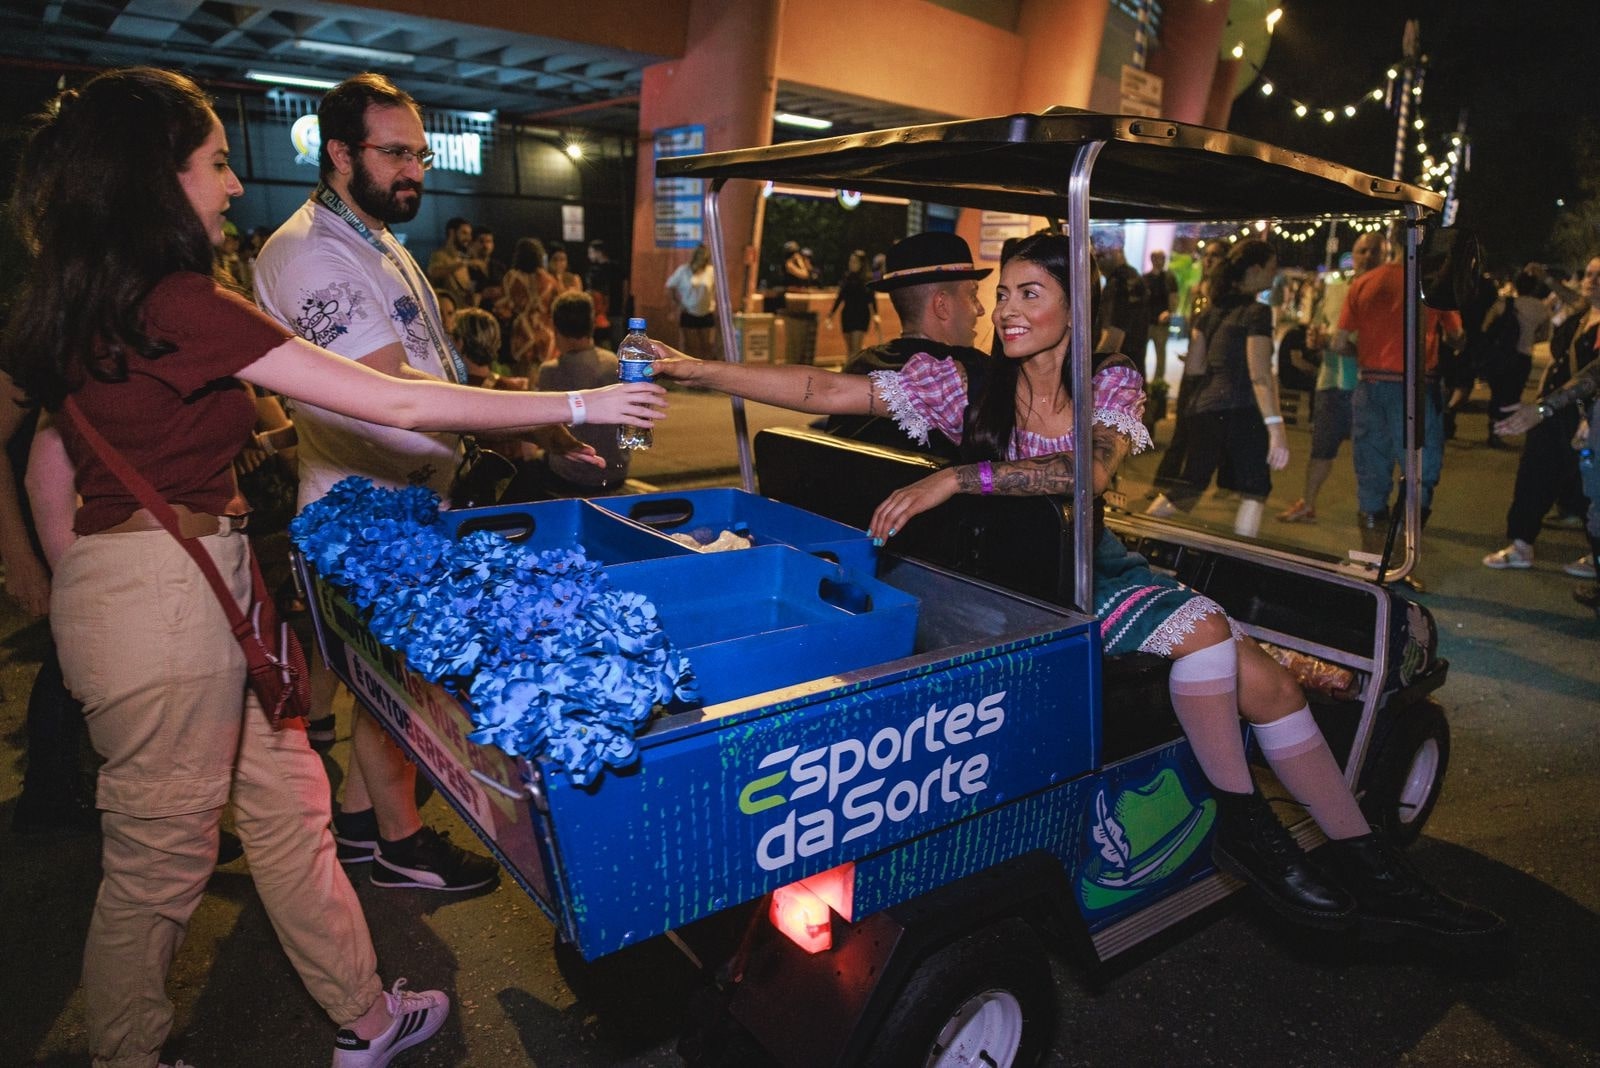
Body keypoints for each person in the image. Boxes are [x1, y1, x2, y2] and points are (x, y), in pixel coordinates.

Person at [0, 66, 664, 1068]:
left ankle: (364, 1015)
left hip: (177, 586)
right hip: (169, 601)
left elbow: (53, 451)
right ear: (154, 178)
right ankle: (128, 1054)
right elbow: (390, 403)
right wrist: (575, 406)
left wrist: (60, 580)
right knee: (158, 865)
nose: (231, 186)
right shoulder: (180, 301)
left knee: (291, 810)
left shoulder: (87, 301)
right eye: (216, 163)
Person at [649, 230, 1500, 945]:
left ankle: (1372, 865)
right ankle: (1248, 827)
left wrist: (959, 481)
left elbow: (1089, 472)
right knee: (1206, 633)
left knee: (1270, 681)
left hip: (1101, 570)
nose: (1008, 311)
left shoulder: (1113, 381)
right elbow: (819, 387)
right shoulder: (962, 383)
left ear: (1073, 303)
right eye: (1003, 295)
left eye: (1029, 293)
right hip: (1037, 593)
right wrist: (698, 371)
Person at [254, 74, 606, 895]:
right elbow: (395, 401)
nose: (416, 168)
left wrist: (526, 436)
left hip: (409, 505)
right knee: (399, 689)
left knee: (368, 678)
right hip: (367, 515)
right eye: (396, 152)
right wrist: (551, 414)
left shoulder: (375, 236)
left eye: (420, 151)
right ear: (340, 154)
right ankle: (404, 846)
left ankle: (355, 824)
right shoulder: (311, 254)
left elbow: (428, 375)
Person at [1334, 230, 1463, 588]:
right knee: (1420, 473)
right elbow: (1457, 337)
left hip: (1371, 386)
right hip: (1415, 390)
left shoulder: (1364, 283)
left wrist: (1366, 354)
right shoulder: (1432, 286)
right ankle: (1404, 565)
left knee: (1371, 475)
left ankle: (1374, 565)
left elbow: (1339, 341)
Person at [1146, 239, 1289, 537]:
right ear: (1255, 269)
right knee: (1255, 489)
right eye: (1272, 268)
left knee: (1190, 485)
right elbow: (1260, 374)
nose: (1274, 275)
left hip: (1204, 408)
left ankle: (1140, 537)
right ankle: (1239, 559)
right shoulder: (1257, 313)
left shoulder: (1210, 312)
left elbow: (1195, 367)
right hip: (1242, 410)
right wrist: (1276, 428)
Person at [822, 231, 990, 458]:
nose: (981, 309)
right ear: (942, 305)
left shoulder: (860, 365)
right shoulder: (973, 371)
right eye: (973, 295)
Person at [1487, 255, 1600, 581]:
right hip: (1555, 410)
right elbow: (1572, 299)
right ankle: (1521, 545)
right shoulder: (1582, 314)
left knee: (1589, 488)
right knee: (1535, 472)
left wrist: (1543, 408)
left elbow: (1594, 375)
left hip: (1587, 416)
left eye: (1599, 275)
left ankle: (1596, 555)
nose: (1591, 280)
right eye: (1589, 274)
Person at [1279, 231, 1387, 524]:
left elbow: (1380, 348)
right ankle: (1308, 503)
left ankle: (1374, 511)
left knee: (1373, 452)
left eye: (1373, 251)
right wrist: (1315, 341)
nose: (1366, 256)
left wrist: (1336, 344)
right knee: (1321, 447)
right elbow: (1319, 328)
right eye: (1362, 250)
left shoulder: (1385, 294)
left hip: (1369, 385)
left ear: (1385, 255)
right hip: (1331, 381)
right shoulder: (1337, 289)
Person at [534, 291, 631, 497]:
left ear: (556, 328)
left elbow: (543, 426)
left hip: (573, 476)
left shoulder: (551, 371)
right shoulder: (615, 363)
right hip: (616, 471)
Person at [1151, 242, 1226, 494]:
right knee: (1182, 427)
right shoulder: (1197, 291)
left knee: (1205, 429)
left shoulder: (1225, 297)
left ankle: (1202, 485)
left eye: (1216, 256)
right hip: (1193, 368)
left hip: (1214, 371)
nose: (1210, 260)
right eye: (1208, 256)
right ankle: (1164, 483)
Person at [1480, 270, 1553, 449]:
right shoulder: (1541, 308)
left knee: (1497, 392)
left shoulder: (1504, 303)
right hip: (1523, 356)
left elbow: (1485, 327)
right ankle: (1502, 427)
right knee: (1512, 394)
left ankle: (1493, 427)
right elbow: (1544, 334)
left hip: (1500, 356)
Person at [500, 237, 555, 374]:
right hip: (545, 329)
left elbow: (505, 303)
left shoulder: (511, 277)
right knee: (544, 376)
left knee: (523, 376)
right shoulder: (548, 280)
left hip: (522, 330)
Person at [1096, 240, 1148, 371]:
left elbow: (1112, 341)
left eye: (1102, 254)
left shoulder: (1120, 282)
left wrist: (1090, 372)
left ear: (1117, 250)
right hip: (1129, 374)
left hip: (1117, 379)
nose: (1096, 259)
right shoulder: (1131, 277)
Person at [665, 243, 718, 359]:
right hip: (689, 312)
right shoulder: (683, 271)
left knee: (707, 346)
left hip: (706, 312)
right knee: (689, 347)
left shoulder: (711, 271)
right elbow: (670, 286)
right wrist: (677, 303)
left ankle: (707, 372)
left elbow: (718, 290)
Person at [826, 248, 879, 356]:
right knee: (849, 349)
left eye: (854, 262)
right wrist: (831, 314)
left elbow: (871, 299)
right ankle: (850, 369)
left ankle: (853, 371)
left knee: (855, 348)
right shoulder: (847, 277)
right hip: (847, 314)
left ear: (861, 264)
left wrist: (876, 315)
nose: (851, 264)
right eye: (850, 261)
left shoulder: (867, 279)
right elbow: (840, 297)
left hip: (861, 315)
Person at [1142, 249, 1179, 381]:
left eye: (1163, 258)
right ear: (1152, 259)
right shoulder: (1145, 279)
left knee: (1161, 355)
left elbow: (1174, 298)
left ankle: (1158, 384)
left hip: (1161, 324)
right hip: (1147, 323)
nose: (1161, 261)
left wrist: (1169, 312)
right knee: (1142, 354)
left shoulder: (1169, 278)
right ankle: (1142, 382)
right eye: (1159, 258)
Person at [426, 215, 475, 308]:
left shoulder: (463, 260)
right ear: (452, 233)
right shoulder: (439, 255)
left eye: (469, 234)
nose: (468, 238)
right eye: (464, 233)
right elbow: (433, 273)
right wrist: (462, 264)